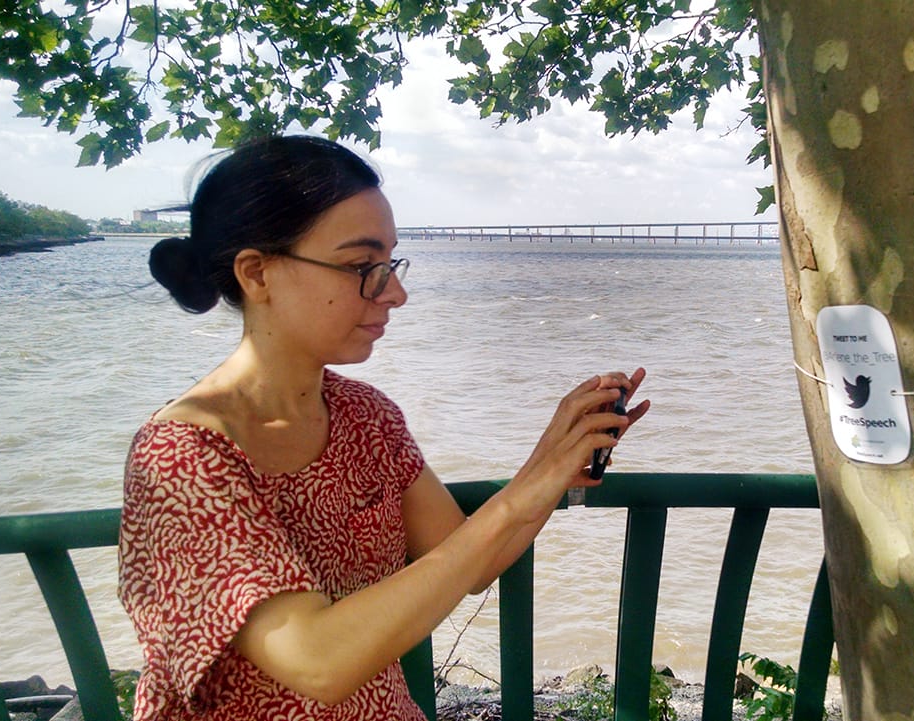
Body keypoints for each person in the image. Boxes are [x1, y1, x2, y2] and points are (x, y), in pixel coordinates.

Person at [117, 134, 648, 721]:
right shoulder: (181, 455)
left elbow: (466, 562)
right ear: (256, 274)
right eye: (360, 267)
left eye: (389, 263)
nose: (395, 292)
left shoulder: (364, 416)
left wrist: (554, 460)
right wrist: (526, 489)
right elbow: (318, 661)